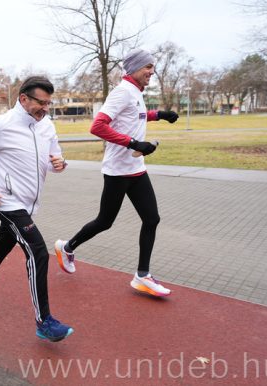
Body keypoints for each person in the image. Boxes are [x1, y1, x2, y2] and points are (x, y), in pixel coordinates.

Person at [54, 48, 179, 297]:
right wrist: (134, 143)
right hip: (117, 171)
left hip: (136, 170)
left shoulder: (136, 92)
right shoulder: (122, 91)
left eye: (152, 67)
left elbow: (136, 116)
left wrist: (159, 115)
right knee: (105, 221)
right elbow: (97, 126)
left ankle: (142, 276)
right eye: (148, 67)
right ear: (133, 69)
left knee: (152, 219)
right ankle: (67, 247)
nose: (151, 72)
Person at [0, 76, 73, 342]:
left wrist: (60, 163)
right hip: (8, 202)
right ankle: (44, 321)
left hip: (30, 204)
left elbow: (53, 157)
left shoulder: (46, 125)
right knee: (38, 253)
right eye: (40, 103)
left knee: (3, 244)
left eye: (48, 103)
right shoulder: (2, 125)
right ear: (23, 99)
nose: (45, 108)